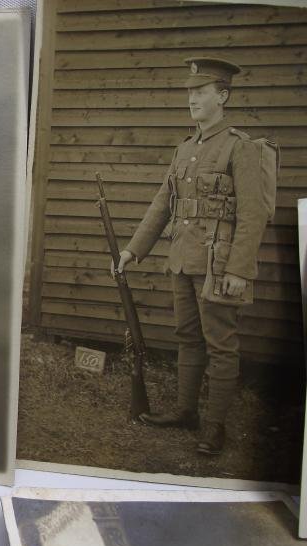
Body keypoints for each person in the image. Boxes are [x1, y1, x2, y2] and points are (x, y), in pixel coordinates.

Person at [113, 57, 273, 455]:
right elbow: (162, 205)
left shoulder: (241, 148)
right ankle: (186, 413)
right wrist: (134, 249)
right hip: (182, 261)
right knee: (187, 337)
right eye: (190, 92)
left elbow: (254, 214)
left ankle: (214, 427)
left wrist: (239, 269)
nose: (192, 99)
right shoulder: (185, 149)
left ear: (222, 96)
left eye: (201, 92)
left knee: (221, 344)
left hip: (219, 265)